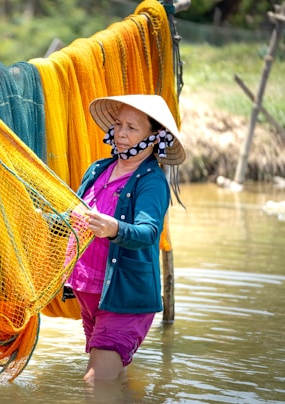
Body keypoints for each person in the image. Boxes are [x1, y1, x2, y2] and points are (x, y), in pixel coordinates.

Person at [64, 94, 186, 382]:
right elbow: (75, 218)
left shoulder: (151, 182)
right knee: (113, 380)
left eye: (132, 128)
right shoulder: (97, 169)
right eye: (119, 124)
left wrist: (114, 228)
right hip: (91, 293)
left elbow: (148, 232)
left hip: (125, 298)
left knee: (94, 383)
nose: (120, 133)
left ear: (155, 137)